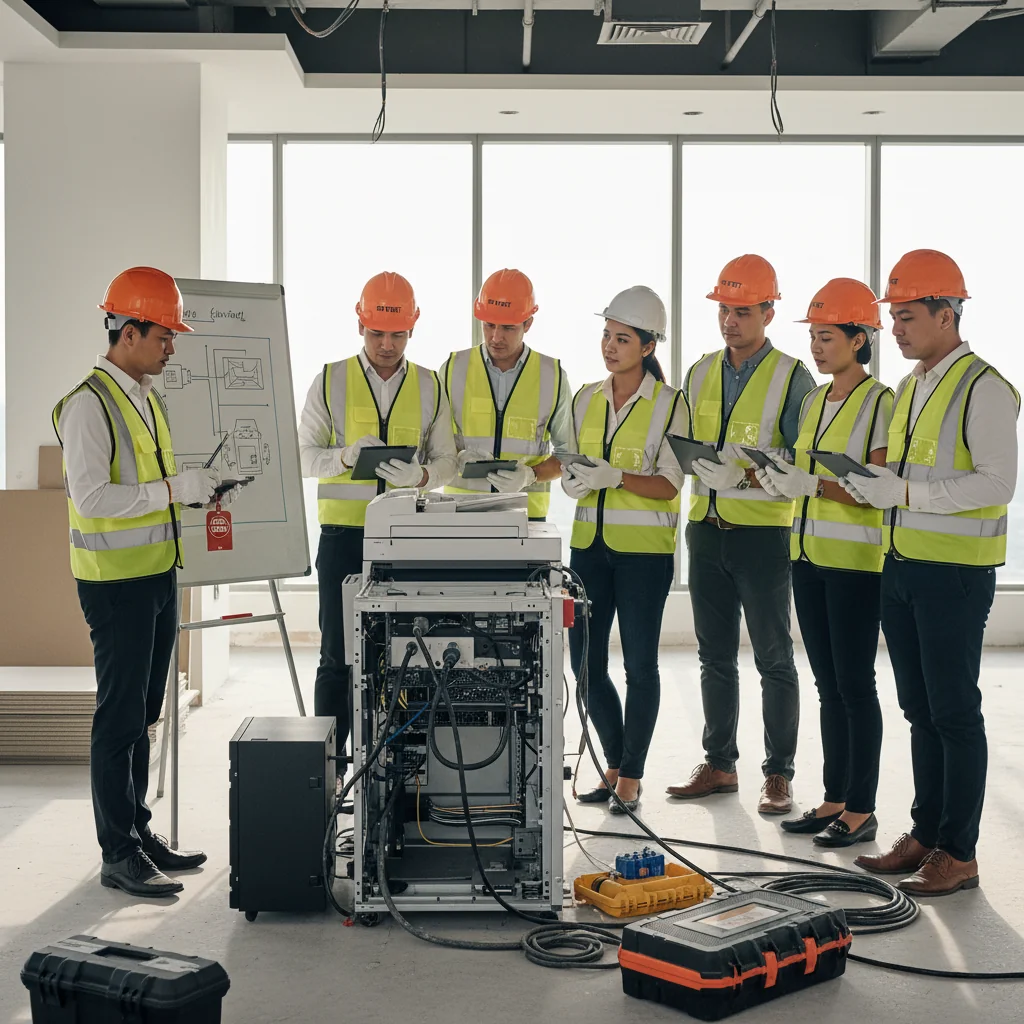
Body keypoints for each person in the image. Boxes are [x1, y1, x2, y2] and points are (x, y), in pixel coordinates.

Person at [53, 267, 235, 897]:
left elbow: (145, 493)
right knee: (119, 716)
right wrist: (171, 490)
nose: (171, 346)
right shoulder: (88, 405)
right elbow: (94, 498)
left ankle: (137, 830)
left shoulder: (144, 399)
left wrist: (190, 490)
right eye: (163, 335)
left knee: (146, 712)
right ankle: (117, 853)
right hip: (116, 584)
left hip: (156, 576)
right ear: (128, 331)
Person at [841, 250, 1018, 896]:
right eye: (894, 316)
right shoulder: (914, 386)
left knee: (953, 711)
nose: (897, 329)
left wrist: (906, 496)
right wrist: (878, 488)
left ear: (948, 314)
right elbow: (910, 475)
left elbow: (999, 482)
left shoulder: (984, 387)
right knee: (919, 709)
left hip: (955, 574)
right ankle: (925, 833)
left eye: (909, 316)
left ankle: (959, 852)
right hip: (905, 566)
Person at [667, 254, 815, 815]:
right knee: (714, 656)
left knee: (774, 658)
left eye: (742, 311)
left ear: (769, 312)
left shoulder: (792, 376)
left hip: (761, 536)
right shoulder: (700, 370)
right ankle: (720, 764)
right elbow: (683, 440)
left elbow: (803, 460)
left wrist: (746, 474)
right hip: (705, 530)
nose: (730, 321)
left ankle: (778, 775)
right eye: (724, 309)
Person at [298, 272, 457, 777]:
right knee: (336, 657)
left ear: (412, 329)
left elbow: (449, 460)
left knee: (408, 653)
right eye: (377, 334)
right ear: (360, 325)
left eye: (397, 335)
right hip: (343, 539)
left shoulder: (431, 384)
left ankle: (402, 772)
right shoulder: (330, 379)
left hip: (408, 537)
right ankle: (330, 774)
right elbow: (303, 456)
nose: (386, 346)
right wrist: (344, 455)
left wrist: (425, 475)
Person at [755, 279, 892, 847]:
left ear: (860, 340)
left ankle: (862, 808)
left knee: (856, 685)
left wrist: (813, 482)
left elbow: (876, 486)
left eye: (828, 336)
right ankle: (835, 797)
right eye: (813, 336)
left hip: (856, 563)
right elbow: (806, 478)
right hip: (807, 555)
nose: (816, 346)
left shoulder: (880, 402)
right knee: (828, 686)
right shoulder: (813, 400)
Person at [564, 286, 689, 813]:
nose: (610, 347)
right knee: (585, 666)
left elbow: (670, 484)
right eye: (607, 336)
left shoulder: (670, 405)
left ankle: (632, 776)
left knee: (640, 666)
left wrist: (615, 476)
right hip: (588, 550)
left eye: (622, 338)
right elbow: (569, 466)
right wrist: (574, 481)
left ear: (648, 346)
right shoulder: (586, 398)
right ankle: (614, 764)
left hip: (643, 555)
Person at [441, 269, 572, 519]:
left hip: (526, 520)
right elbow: (432, 448)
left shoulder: (552, 376)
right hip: (460, 517)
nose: (495, 337)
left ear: (528, 323)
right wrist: (455, 456)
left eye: (508, 328)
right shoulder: (452, 370)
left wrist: (531, 475)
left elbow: (567, 455)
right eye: (489, 325)